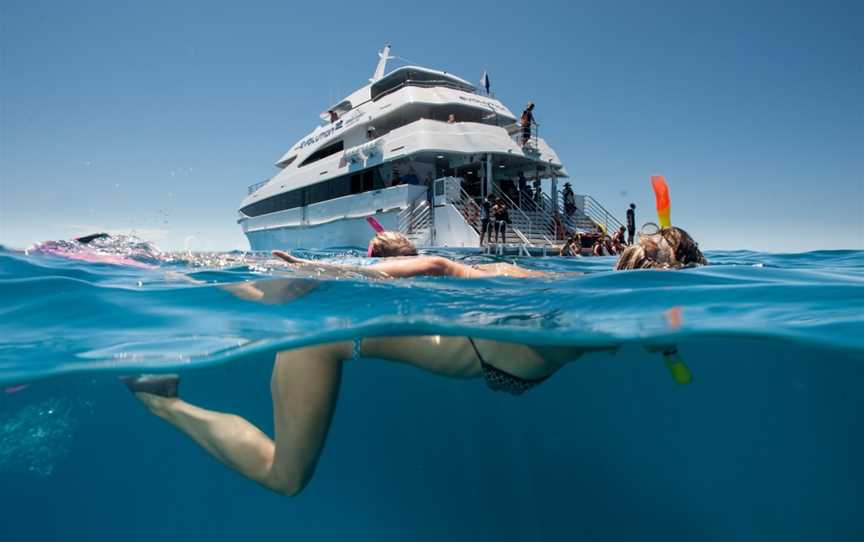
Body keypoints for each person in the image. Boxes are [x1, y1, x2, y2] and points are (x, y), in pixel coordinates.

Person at [124, 226, 706, 495]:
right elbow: (441, 268)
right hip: (323, 341)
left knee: (266, 294)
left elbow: (630, 330)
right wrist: (335, 272)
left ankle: (155, 262)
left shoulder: (590, 311)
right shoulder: (573, 320)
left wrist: (659, 332)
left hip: (333, 323)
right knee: (286, 476)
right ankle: (158, 401)